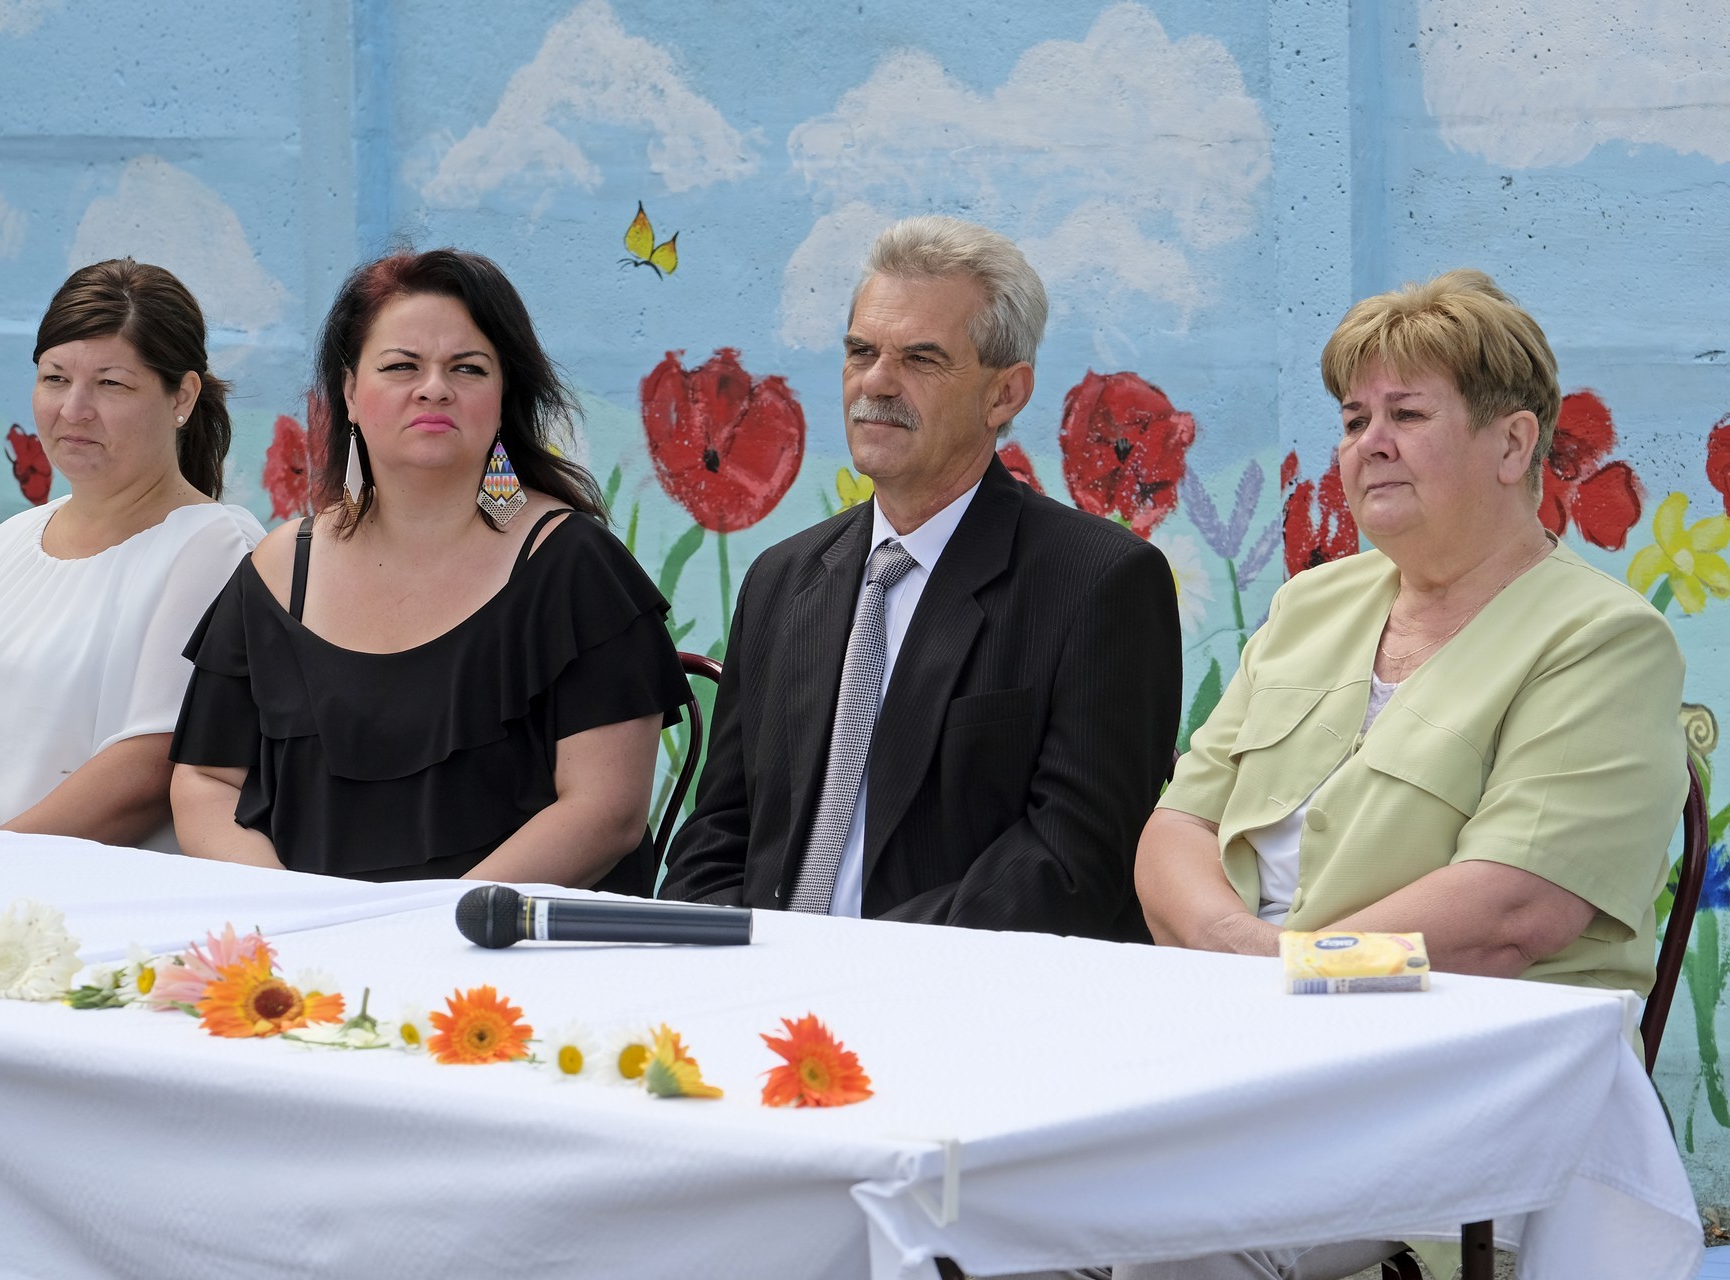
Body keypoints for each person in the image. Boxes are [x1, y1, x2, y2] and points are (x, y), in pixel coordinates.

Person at [1115, 269, 1685, 1280]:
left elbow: (1513, 913)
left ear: (1513, 444)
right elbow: (1178, 825)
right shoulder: (1313, 604)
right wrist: (1239, 954)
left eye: (1407, 414)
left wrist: (1296, 971)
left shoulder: (1603, 640)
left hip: (1456, 1076)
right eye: (1353, 418)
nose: (1369, 442)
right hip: (1240, 1040)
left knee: (1163, 1229)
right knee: (976, 1181)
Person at [660, 216, 1179, 935]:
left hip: (955, 987)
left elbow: (1072, 858)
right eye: (861, 351)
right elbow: (719, 831)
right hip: (766, 979)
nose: (876, 381)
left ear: (1005, 394)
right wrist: (722, 950)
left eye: (921, 359)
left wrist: (857, 961)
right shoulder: (782, 580)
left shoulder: (1101, 583)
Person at [168, 248, 688, 892]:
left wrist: (434, 926)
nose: (434, 387)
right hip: (309, 940)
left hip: (507, 942)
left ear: (503, 395)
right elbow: (206, 780)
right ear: (350, 393)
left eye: (468, 368)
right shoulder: (279, 571)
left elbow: (605, 812)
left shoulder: (573, 566)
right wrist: (285, 907)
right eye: (401, 366)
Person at [0, 260, 264, 851]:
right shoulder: (13, 539)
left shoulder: (214, 546)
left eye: (111, 383)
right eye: (55, 378)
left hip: (73, 900)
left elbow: (150, 762)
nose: (74, 409)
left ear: (183, 395)